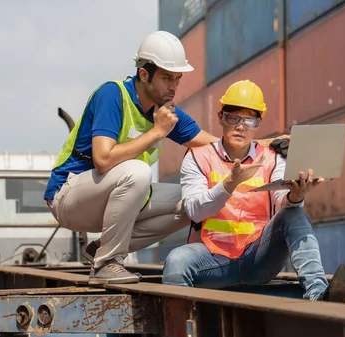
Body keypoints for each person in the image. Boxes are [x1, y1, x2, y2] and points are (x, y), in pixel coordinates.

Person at [44, 31, 284, 285]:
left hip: (113, 201)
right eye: (167, 78)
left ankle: (100, 249)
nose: (173, 86)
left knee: (190, 204)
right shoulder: (113, 96)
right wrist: (158, 131)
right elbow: (103, 160)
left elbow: (214, 143)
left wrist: (271, 143)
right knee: (138, 171)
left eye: (177, 79)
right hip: (69, 196)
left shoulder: (167, 111)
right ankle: (108, 263)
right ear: (144, 74)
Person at [161, 80, 345, 303]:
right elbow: (194, 211)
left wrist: (296, 196)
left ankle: (318, 294)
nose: (241, 126)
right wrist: (229, 184)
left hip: (259, 258)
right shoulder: (198, 157)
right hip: (212, 259)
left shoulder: (272, 157)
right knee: (176, 262)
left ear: (258, 123)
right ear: (221, 117)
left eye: (250, 120)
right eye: (234, 118)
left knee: (294, 213)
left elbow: (283, 201)